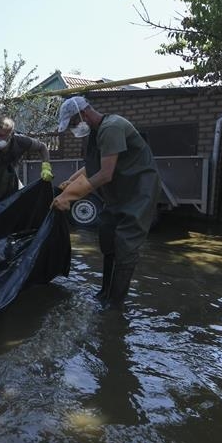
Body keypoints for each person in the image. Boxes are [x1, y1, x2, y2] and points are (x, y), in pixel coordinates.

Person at [51, 96, 160, 309]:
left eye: (73, 123)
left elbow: (105, 174)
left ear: (83, 114)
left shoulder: (112, 127)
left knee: (125, 244)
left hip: (138, 191)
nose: (74, 129)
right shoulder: (96, 132)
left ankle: (115, 304)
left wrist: (70, 197)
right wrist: (70, 182)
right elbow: (93, 166)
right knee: (107, 235)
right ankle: (104, 292)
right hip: (118, 193)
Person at [0, 115, 53, 221]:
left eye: (0, 135)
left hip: (11, 191)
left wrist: (46, 167)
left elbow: (42, 147)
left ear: (11, 134)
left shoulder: (21, 141)